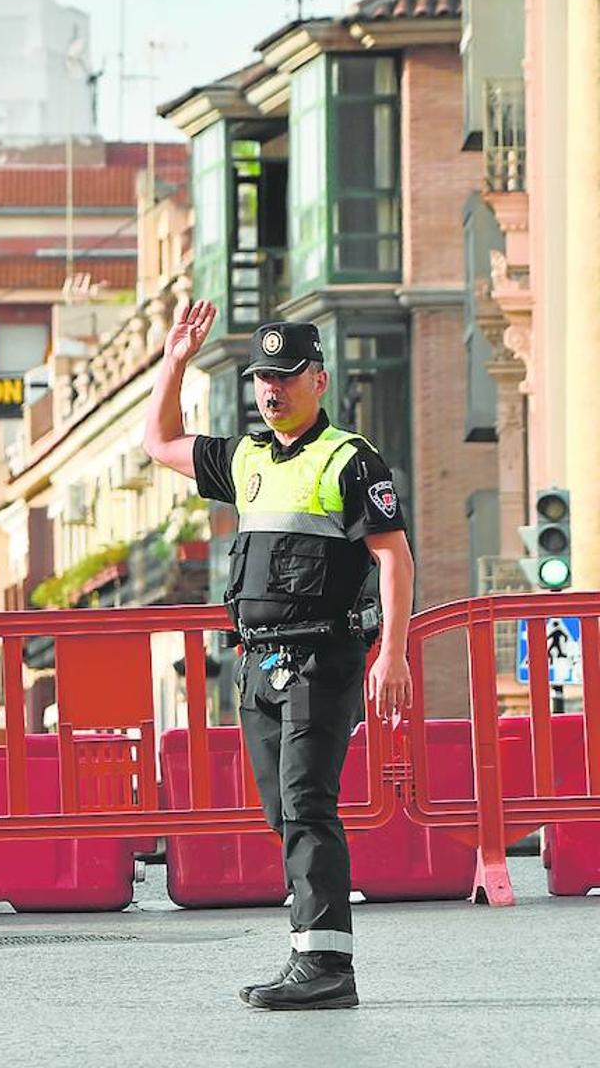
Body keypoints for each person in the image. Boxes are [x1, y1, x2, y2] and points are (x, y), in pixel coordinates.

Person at [143, 304, 415, 1012]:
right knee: (281, 809)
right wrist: (174, 361)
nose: (272, 389)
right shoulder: (247, 457)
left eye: (287, 377)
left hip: (322, 658)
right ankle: (310, 952)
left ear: (318, 381)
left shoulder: (350, 459)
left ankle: (326, 965)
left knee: (306, 802)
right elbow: (160, 440)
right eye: (264, 377)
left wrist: (394, 652)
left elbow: (394, 557)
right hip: (258, 664)